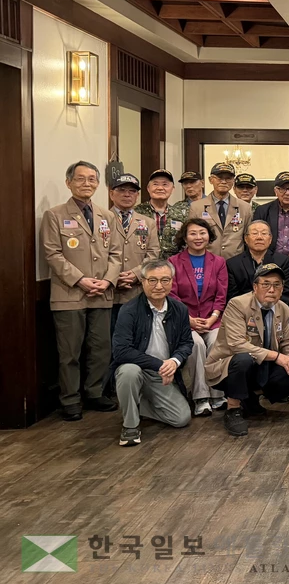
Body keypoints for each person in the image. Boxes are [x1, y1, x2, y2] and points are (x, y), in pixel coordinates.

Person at [42, 160, 123, 421]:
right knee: (70, 352)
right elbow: (53, 254)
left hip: (102, 293)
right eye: (80, 179)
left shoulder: (107, 216)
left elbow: (116, 253)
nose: (87, 183)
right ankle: (70, 399)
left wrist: (108, 281)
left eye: (91, 179)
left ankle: (95, 393)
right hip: (69, 295)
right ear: (69, 183)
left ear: (98, 184)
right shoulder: (55, 215)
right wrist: (80, 280)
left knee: (101, 348)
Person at [206, 263, 289, 437]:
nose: (271, 289)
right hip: (227, 366)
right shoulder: (238, 304)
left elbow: (287, 342)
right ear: (255, 287)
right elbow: (237, 344)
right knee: (243, 359)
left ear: (282, 289)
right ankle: (233, 409)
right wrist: (276, 356)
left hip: (262, 364)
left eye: (277, 285)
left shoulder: (282, 308)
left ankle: (251, 397)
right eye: (266, 284)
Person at [107, 260, 193, 446]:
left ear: (172, 281)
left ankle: (137, 403)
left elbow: (186, 343)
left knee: (181, 418)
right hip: (138, 368)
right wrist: (159, 364)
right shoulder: (129, 310)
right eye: (153, 280)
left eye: (165, 280)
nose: (159, 286)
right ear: (143, 281)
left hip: (162, 374)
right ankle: (130, 426)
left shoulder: (179, 309)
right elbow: (121, 351)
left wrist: (174, 361)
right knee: (129, 371)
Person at [169, 217, 228, 416]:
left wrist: (213, 317)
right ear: (185, 237)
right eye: (193, 233)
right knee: (196, 345)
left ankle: (218, 394)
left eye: (202, 233)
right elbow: (172, 295)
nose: (198, 237)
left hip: (213, 319)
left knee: (217, 341)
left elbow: (221, 295)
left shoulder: (218, 262)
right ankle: (201, 397)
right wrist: (189, 320)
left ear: (209, 236)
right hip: (185, 320)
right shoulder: (173, 262)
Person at [109, 173, 161, 332]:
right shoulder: (102, 219)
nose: (127, 194)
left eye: (132, 191)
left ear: (137, 195)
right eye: (121, 190)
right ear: (111, 194)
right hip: (108, 293)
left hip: (137, 291)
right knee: (110, 339)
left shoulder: (148, 223)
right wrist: (114, 277)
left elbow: (153, 254)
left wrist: (135, 274)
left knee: (138, 336)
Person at [187, 162, 252, 259]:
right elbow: (191, 238)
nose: (224, 182)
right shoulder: (197, 207)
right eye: (219, 178)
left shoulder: (244, 207)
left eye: (228, 178)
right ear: (211, 180)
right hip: (207, 260)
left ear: (233, 181)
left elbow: (248, 238)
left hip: (235, 261)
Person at [225, 220, 289, 303]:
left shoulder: (282, 261)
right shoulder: (233, 264)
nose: (259, 237)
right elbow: (233, 296)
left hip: (274, 307)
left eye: (264, 233)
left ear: (270, 239)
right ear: (246, 239)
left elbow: (285, 292)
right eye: (254, 233)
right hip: (243, 308)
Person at [136, 168, 186, 256]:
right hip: (144, 262)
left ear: (172, 189)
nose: (160, 188)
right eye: (155, 184)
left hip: (172, 263)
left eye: (165, 184)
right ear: (148, 188)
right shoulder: (136, 213)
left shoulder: (181, 215)